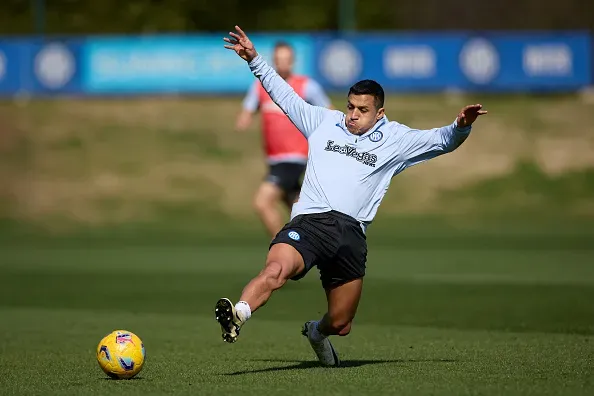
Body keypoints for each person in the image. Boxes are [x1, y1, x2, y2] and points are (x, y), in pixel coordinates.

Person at [216, 26, 487, 367]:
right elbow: (284, 95)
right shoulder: (323, 121)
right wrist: (255, 59)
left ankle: (317, 332)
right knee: (276, 269)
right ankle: (239, 313)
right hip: (310, 223)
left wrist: (461, 125)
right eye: (350, 106)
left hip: (349, 235)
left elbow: (442, 140)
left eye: (362, 109)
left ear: (379, 113)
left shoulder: (396, 138)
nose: (353, 114)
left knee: (341, 323)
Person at [236, 41, 333, 238]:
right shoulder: (261, 86)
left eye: (286, 59)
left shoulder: (306, 86)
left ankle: (283, 246)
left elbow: (329, 112)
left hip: (294, 157)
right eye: (279, 60)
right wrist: (245, 117)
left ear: (293, 61)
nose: (283, 64)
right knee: (298, 208)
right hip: (274, 159)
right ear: (273, 61)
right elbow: (248, 109)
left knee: (262, 203)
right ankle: (320, 239)